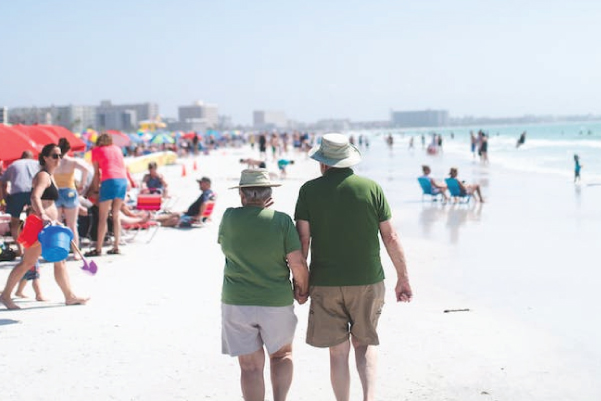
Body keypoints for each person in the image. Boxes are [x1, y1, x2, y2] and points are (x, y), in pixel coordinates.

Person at [294, 133, 412, 401]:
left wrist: (301, 283)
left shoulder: (309, 191)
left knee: (337, 353)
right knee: (364, 344)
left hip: (325, 283)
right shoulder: (371, 188)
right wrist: (402, 277)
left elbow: (303, 240)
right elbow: (390, 236)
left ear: (323, 162)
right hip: (368, 280)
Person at [219, 169, 309, 401]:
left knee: (249, 368)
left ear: (241, 194)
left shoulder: (228, 217)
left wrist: (257, 213)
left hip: (237, 301)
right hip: (275, 301)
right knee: (281, 356)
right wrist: (302, 289)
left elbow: (230, 244)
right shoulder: (281, 221)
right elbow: (297, 263)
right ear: (269, 193)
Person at [0, 143, 88, 310]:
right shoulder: (43, 176)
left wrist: (55, 220)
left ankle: (69, 296)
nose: (58, 159)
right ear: (45, 157)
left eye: (60, 155)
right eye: (54, 156)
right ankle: (5, 295)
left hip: (47, 225)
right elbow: (34, 197)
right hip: (39, 224)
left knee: (59, 260)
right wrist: (44, 215)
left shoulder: (49, 174)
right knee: (27, 262)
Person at [85, 133, 128, 256]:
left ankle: (98, 249)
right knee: (115, 215)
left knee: (102, 217)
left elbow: (97, 173)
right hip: (122, 181)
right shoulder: (117, 149)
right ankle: (116, 246)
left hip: (109, 180)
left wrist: (95, 190)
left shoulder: (96, 150)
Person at [55, 138, 90, 260]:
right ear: (68, 149)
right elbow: (86, 169)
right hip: (70, 191)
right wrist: (82, 184)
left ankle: (60, 252)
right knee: (72, 224)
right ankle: (76, 252)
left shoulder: (54, 161)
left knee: (58, 224)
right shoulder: (72, 161)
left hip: (56, 192)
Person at [0, 151, 39, 256]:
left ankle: (21, 249)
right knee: (34, 221)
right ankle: (34, 249)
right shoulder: (37, 164)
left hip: (16, 193)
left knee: (15, 223)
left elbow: (2, 182)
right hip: (34, 192)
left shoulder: (14, 165)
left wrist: (4, 197)